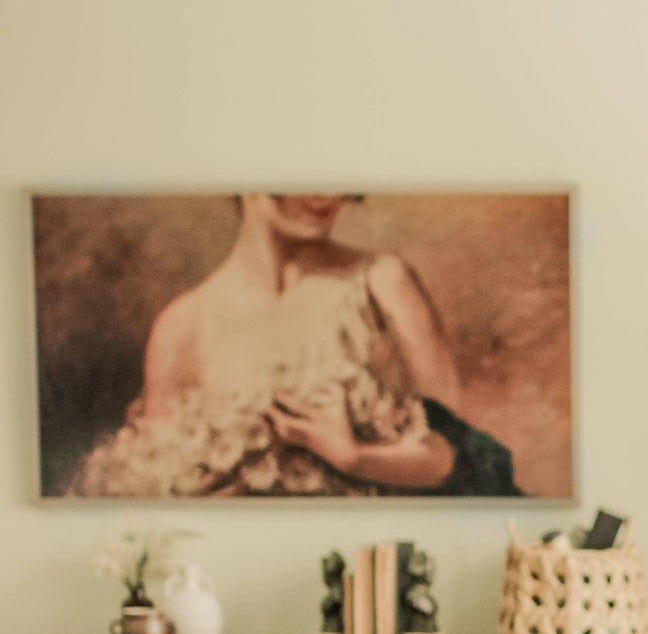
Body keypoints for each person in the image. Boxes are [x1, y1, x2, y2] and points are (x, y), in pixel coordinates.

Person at [70, 193, 519, 497]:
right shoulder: (181, 327)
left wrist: (355, 456)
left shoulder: (382, 284)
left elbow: (462, 458)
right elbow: (160, 495)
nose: (325, 194)